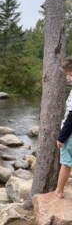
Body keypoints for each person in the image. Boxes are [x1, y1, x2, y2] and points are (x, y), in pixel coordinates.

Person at [55, 57, 72, 199]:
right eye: (67, 74)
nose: (67, 78)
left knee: (66, 163)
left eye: (70, 74)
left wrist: (61, 137)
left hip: (70, 135)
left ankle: (59, 191)